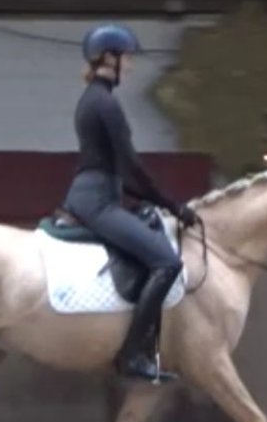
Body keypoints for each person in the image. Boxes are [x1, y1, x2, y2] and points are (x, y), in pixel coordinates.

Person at [60, 23, 198, 383]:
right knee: (167, 262)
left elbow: (124, 172)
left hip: (100, 194)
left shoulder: (95, 98)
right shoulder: (104, 103)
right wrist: (174, 205)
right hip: (98, 202)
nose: (131, 66)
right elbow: (131, 167)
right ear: (109, 58)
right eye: (128, 58)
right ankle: (132, 354)